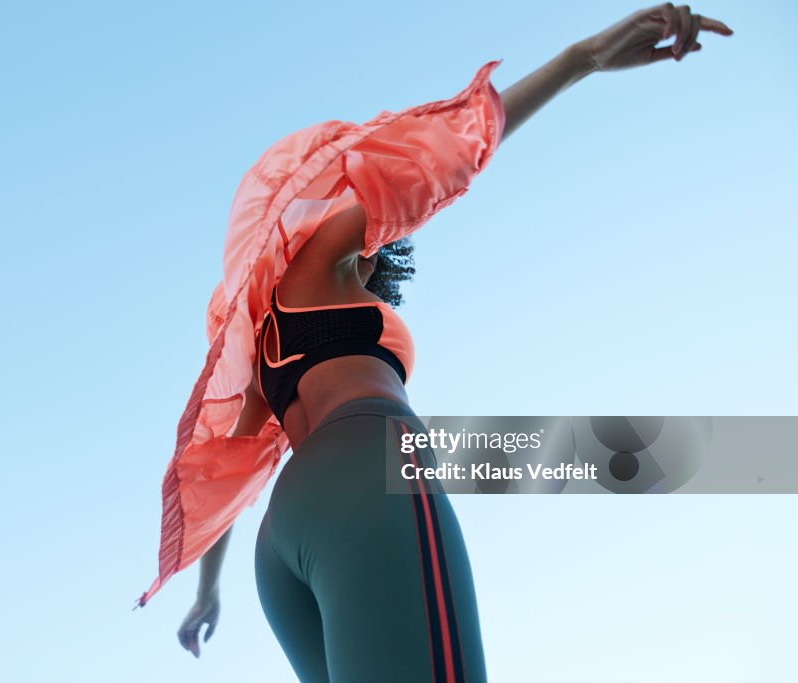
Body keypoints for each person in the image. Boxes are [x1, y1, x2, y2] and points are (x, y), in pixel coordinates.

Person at [140, 5, 732, 682]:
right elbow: (445, 162)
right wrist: (581, 60)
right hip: (366, 474)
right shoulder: (328, 257)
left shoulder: (259, 344)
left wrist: (207, 590)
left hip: (280, 544)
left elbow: (229, 469)